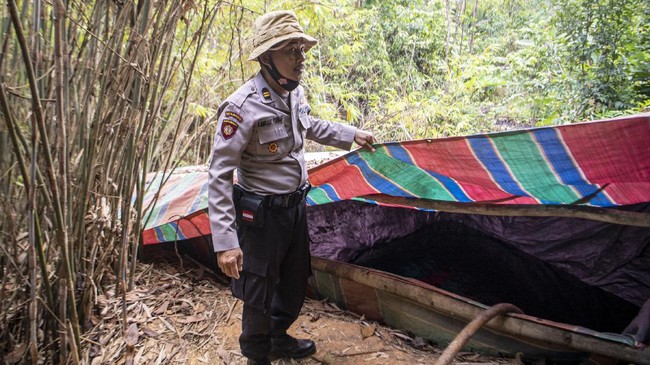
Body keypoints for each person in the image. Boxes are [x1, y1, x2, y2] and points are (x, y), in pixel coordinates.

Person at [207, 10, 376, 365]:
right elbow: (219, 175)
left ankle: (278, 336)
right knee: (258, 288)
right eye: (290, 50)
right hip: (261, 215)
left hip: (295, 208)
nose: (300, 58)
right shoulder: (241, 108)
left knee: (295, 279)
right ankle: (257, 354)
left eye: (301, 49)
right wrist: (225, 243)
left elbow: (309, 124)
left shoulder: (291, 92)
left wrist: (351, 135)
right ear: (267, 57)